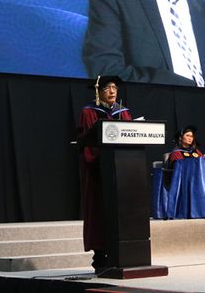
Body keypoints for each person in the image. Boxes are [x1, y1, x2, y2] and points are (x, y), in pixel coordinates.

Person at [76, 75, 132, 272]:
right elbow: (88, 142)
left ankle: (122, 253)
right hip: (98, 172)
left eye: (115, 87)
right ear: (98, 91)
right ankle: (100, 258)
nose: (112, 91)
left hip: (121, 171)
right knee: (98, 210)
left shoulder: (123, 113)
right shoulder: (89, 112)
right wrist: (102, 158)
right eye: (107, 87)